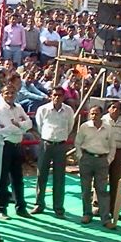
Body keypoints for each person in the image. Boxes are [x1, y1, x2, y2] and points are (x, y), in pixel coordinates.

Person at [32, 88, 72, 217]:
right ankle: (39, 204)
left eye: (60, 95)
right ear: (51, 96)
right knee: (41, 175)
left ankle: (58, 208)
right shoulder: (43, 109)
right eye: (54, 95)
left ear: (64, 97)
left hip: (60, 145)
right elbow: (39, 125)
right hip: (46, 144)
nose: (57, 97)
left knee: (59, 177)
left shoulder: (68, 111)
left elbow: (70, 126)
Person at [0, 82, 31, 219]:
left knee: (18, 178)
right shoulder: (0, 109)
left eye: (12, 93)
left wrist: (19, 125)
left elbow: (29, 124)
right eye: (7, 93)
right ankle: (1, 209)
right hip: (5, 145)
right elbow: (9, 128)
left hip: (17, 145)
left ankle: (21, 207)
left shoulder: (19, 107)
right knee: (2, 179)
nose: (10, 95)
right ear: (2, 94)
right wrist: (21, 126)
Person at [75, 105, 115, 229]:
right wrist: (80, 156)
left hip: (102, 160)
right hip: (87, 158)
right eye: (91, 113)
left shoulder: (108, 128)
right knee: (85, 189)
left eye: (96, 114)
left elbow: (113, 146)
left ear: (101, 115)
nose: (93, 116)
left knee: (102, 190)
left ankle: (105, 219)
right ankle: (87, 214)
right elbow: (77, 143)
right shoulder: (84, 127)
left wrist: (108, 160)